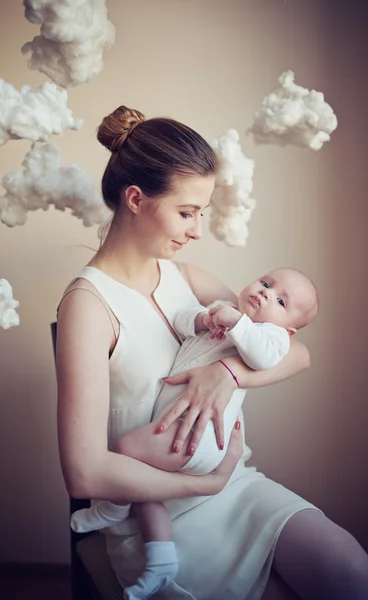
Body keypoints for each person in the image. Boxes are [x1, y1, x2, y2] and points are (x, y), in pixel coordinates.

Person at [56, 105, 368, 600]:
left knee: (350, 570)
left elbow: (296, 351)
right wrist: (200, 485)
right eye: (187, 212)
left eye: (201, 212)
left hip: (236, 486)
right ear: (136, 199)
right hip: (152, 516)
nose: (198, 229)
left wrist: (228, 372)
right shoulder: (87, 307)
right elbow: (86, 470)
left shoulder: (190, 279)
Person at [70, 267, 319, 600]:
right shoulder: (225, 311)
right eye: (265, 282)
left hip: (198, 436)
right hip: (186, 436)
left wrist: (232, 346)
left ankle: (112, 509)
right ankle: (161, 559)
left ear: (288, 329)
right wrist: (204, 320)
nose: (265, 293)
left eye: (280, 300)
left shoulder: (266, 334)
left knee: (127, 449)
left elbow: (267, 355)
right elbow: (182, 320)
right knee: (144, 485)